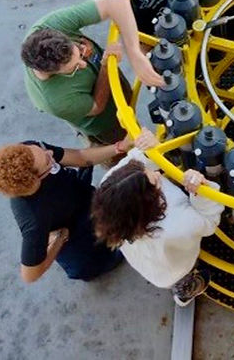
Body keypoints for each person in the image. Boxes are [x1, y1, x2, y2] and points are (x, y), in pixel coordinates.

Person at [91, 128, 224, 306]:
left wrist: (149, 148)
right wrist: (202, 189)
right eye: (155, 182)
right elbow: (208, 222)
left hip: (150, 265)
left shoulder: (112, 189)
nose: (156, 174)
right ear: (149, 203)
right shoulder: (176, 225)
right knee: (181, 277)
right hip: (175, 269)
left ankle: (179, 290)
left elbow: (136, 162)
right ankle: (185, 289)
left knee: (162, 273)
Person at [21, 0, 165, 147]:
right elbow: (97, 107)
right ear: (51, 73)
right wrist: (104, 67)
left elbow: (116, 2)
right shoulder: (55, 101)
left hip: (116, 88)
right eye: (75, 68)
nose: (84, 64)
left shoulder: (50, 27)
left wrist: (134, 53)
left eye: (80, 50)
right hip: (107, 124)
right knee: (128, 153)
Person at [0, 138, 131, 283]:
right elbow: (30, 274)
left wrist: (119, 147)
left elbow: (80, 157)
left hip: (82, 199)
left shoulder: (31, 150)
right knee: (109, 259)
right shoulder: (33, 218)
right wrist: (59, 239)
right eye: (48, 160)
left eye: (42, 150)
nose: (50, 152)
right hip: (78, 238)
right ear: (36, 181)